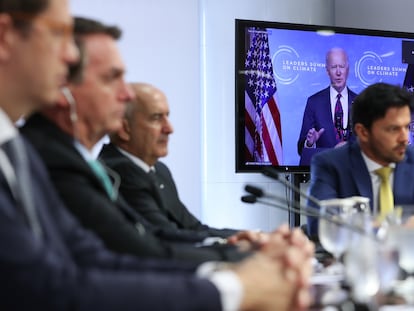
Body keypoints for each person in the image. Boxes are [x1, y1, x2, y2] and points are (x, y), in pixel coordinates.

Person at [0, 1, 315, 310]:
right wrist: (238, 283)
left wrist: (240, 268)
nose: (68, 54)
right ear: (5, 36)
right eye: (58, 34)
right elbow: (49, 285)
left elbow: (97, 256)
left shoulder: (19, 152)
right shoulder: (47, 156)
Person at [21, 16, 258, 263]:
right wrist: (239, 264)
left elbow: (149, 235)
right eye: (111, 78)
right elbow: (136, 252)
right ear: (62, 84)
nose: (125, 94)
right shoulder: (56, 161)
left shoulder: (81, 160)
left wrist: (242, 247)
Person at [99, 82, 242, 240]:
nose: (169, 128)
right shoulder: (120, 171)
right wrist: (233, 246)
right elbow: (167, 238)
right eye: (156, 118)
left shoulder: (159, 170)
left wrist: (250, 237)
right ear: (124, 129)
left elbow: (194, 228)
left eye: (167, 116)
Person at [306, 82, 414, 236]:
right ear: (362, 132)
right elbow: (320, 226)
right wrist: (389, 228)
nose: (405, 138)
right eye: (394, 129)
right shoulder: (330, 164)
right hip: (354, 258)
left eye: (407, 127)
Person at [297, 47, 358, 164]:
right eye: (334, 67)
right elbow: (301, 149)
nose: (338, 72)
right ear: (327, 71)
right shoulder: (314, 102)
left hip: (353, 176)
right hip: (324, 174)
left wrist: (350, 146)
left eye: (342, 66)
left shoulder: (360, 102)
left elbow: (370, 144)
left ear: (348, 69)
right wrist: (310, 143)